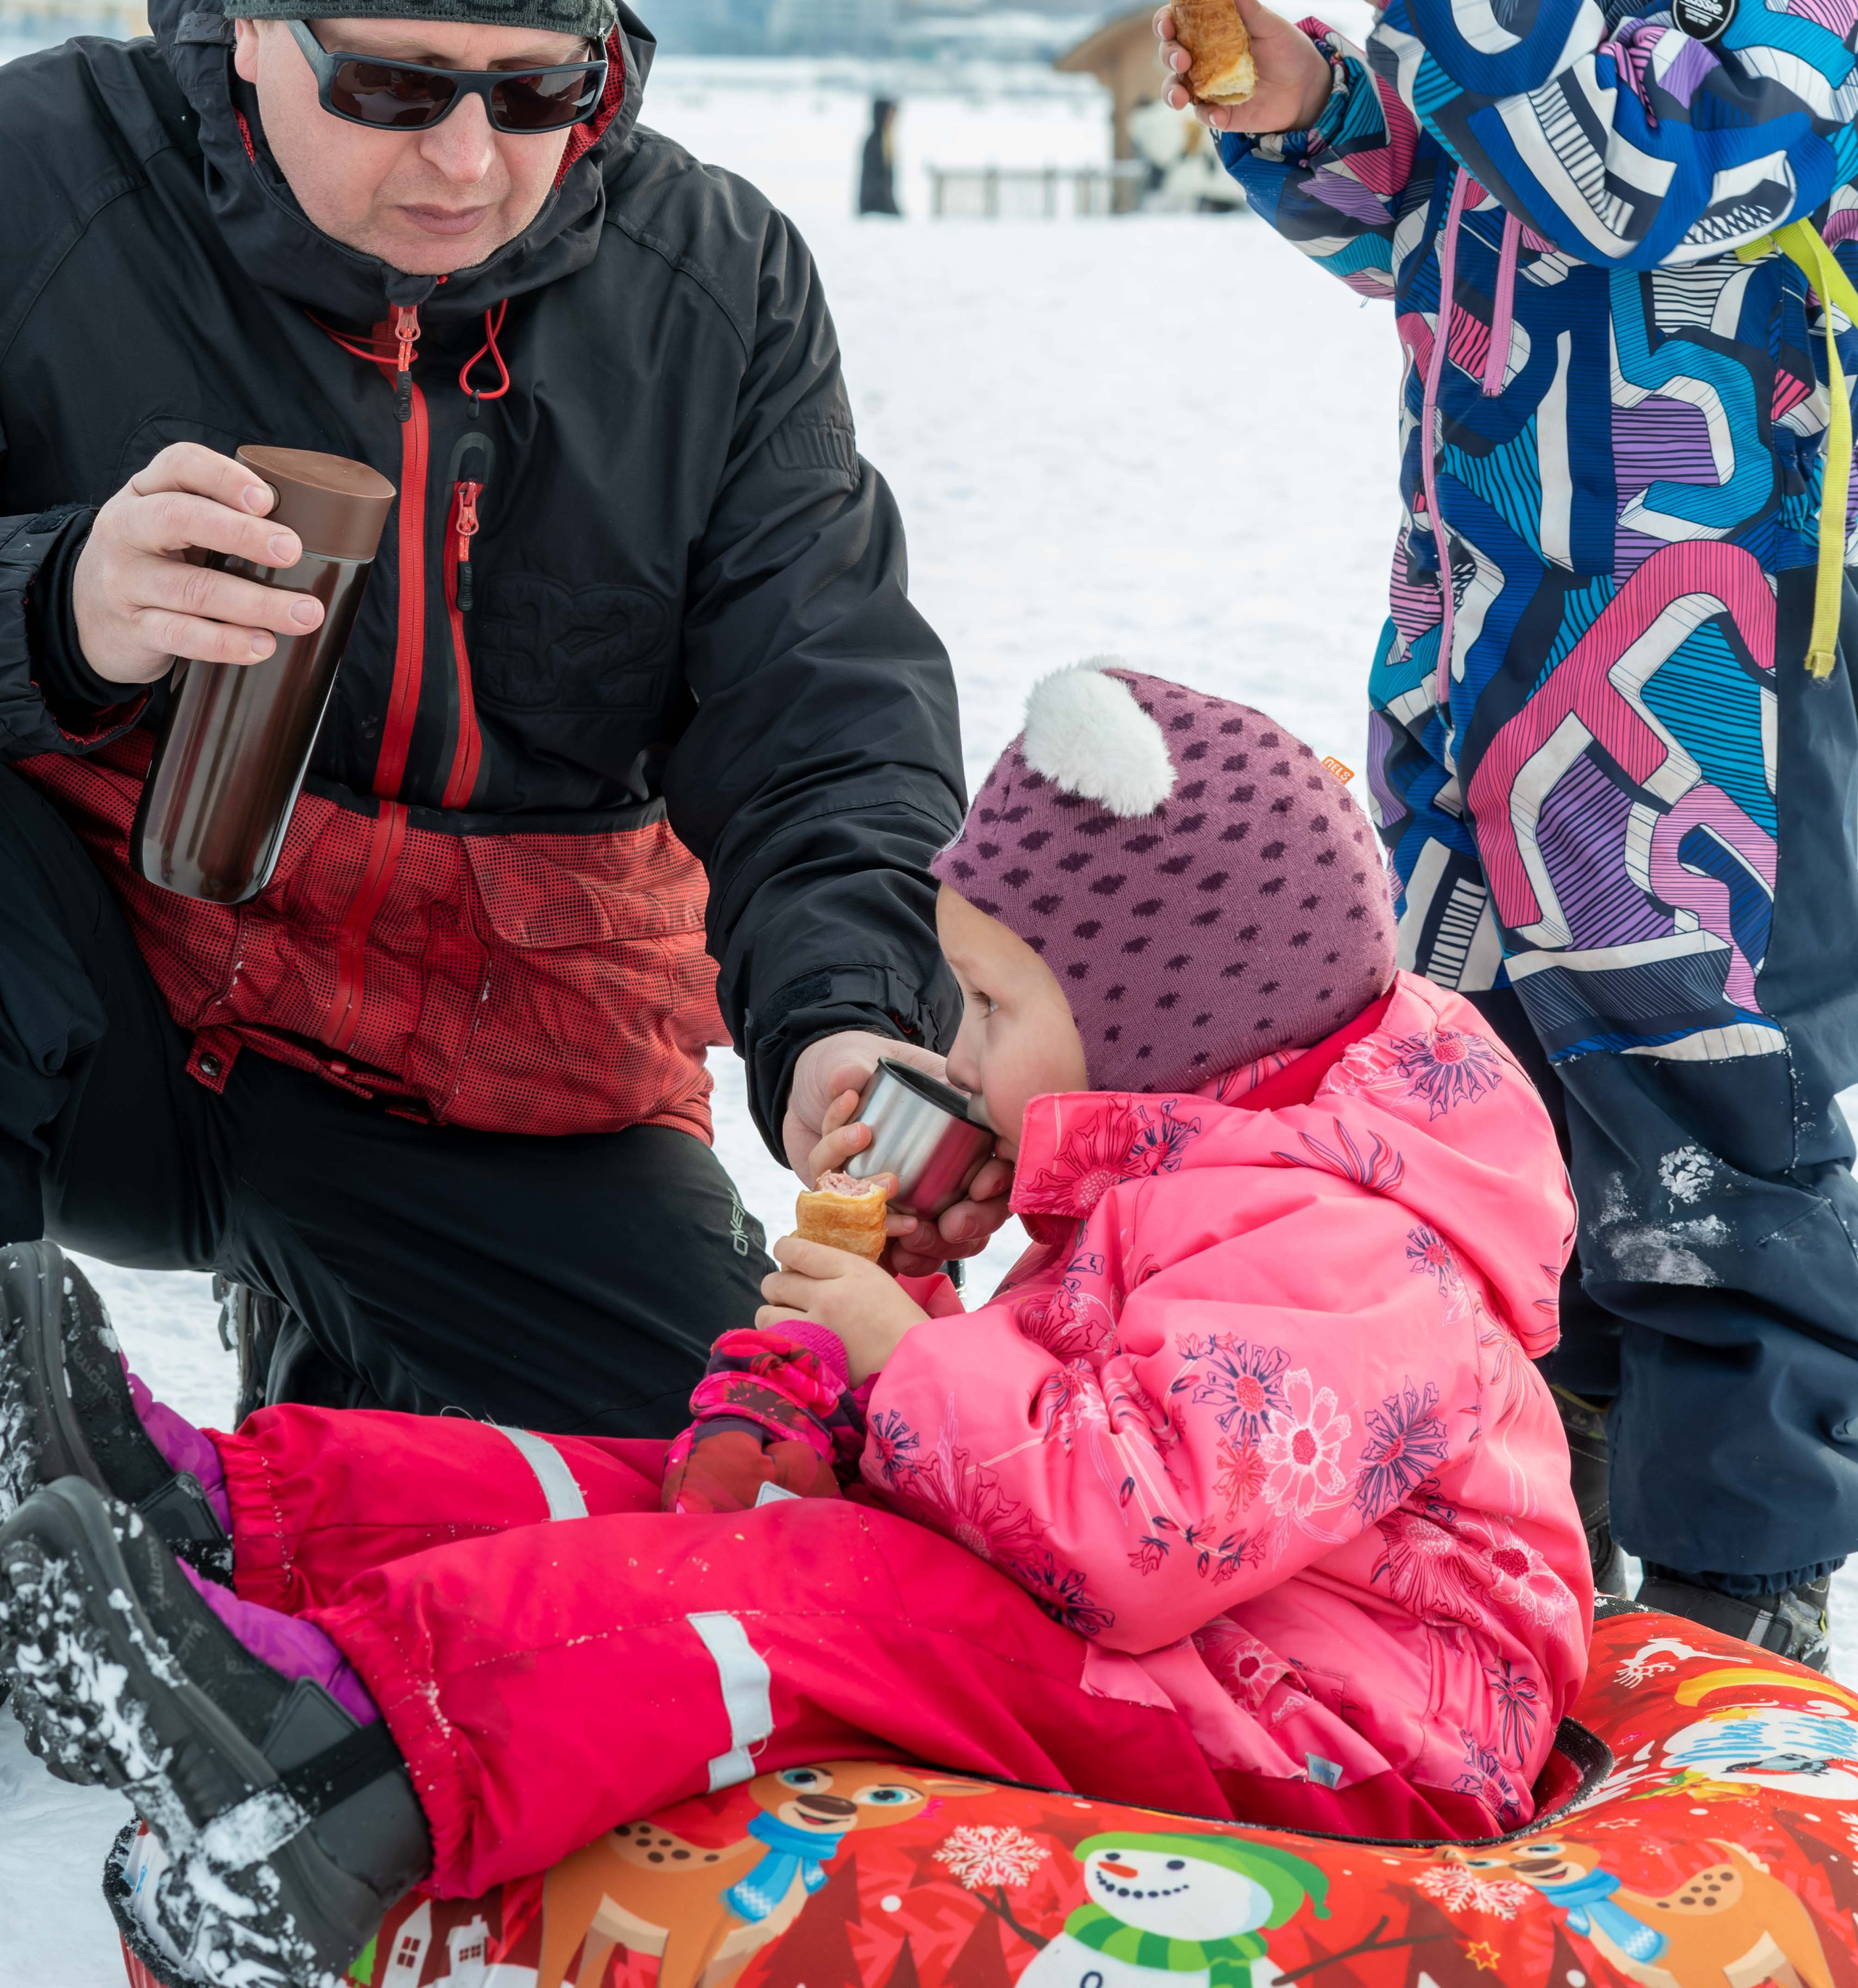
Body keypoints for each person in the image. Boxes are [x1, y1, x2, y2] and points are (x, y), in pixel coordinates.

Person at [0, 666, 1588, 1981]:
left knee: (820, 1586)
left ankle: (332, 1773)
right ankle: (220, 1521)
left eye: (989, 1008)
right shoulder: (1192, 1163)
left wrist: (912, 1354)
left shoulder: (1356, 1253)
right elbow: (1012, 1446)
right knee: (630, 1488)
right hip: (1206, 1647)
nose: (954, 1047)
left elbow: (1132, 1531)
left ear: (1162, 1030)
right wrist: (892, 1300)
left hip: (1340, 1725)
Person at [0, 0, 984, 1439]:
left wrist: (845, 1016)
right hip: (97, 1009)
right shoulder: (43, 183)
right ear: (248, 30)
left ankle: (352, 1419)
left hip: (490, 1069)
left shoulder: (715, 288)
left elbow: (817, 707)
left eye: (541, 87)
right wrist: (56, 607)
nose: (466, 162)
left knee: (721, 1498)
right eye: (389, 85)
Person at [1160, 0, 1858, 1665]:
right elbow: (1469, 224)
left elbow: (1687, 171)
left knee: (1712, 1162)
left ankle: (1744, 1624)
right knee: (1502, 1135)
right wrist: (1307, 109)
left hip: (1705, 709)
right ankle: (1516, 1573)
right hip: (1486, 677)